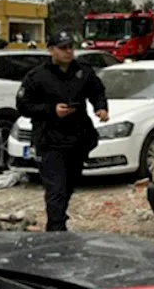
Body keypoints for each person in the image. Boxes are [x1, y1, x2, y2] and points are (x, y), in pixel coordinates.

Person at [15, 31, 109, 232]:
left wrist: (101, 108)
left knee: (68, 185)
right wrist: (51, 111)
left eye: (70, 47)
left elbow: (97, 91)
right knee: (55, 188)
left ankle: (58, 221)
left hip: (77, 139)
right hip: (50, 141)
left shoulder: (83, 72)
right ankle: (56, 230)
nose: (68, 52)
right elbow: (23, 106)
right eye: (63, 48)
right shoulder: (37, 76)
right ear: (51, 50)